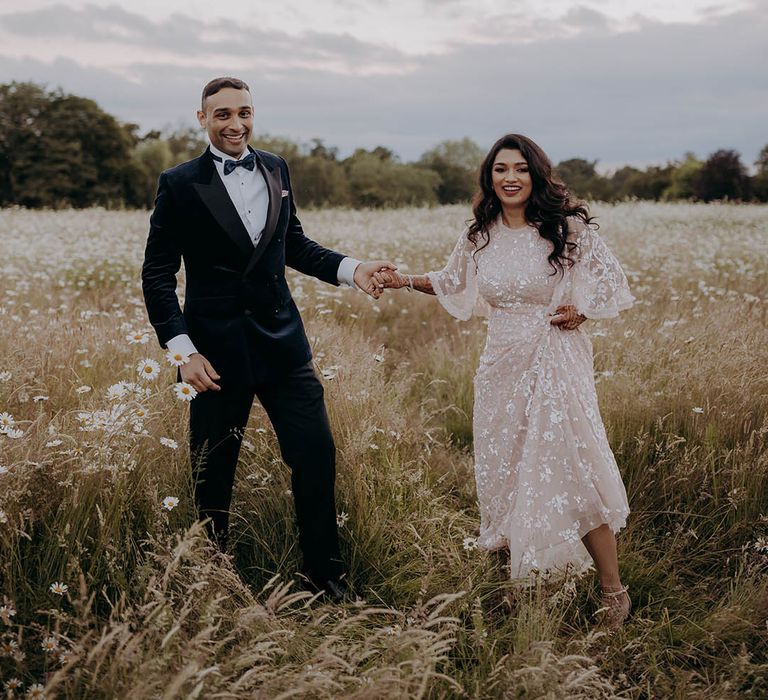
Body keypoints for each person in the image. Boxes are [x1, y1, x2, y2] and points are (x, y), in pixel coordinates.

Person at [142, 76, 395, 601]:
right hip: (213, 357)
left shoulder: (277, 167)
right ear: (202, 118)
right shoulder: (180, 183)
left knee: (316, 456)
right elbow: (157, 275)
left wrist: (354, 268)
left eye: (244, 112)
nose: (236, 124)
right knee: (213, 472)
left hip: (284, 345)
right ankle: (215, 579)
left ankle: (325, 577)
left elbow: (294, 245)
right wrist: (182, 352)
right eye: (223, 115)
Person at [376, 134, 635, 628]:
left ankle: (613, 591)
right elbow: (452, 282)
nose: (510, 178)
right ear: (489, 178)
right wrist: (402, 279)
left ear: (536, 174)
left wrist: (582, 309)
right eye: (500, 170)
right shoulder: (480, 235)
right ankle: (520, 583)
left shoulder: (567, 227)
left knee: (573, 466)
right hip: (501, 365)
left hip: (555, 358)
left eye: (519, 168)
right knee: (506, 469)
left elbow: (611, 282)